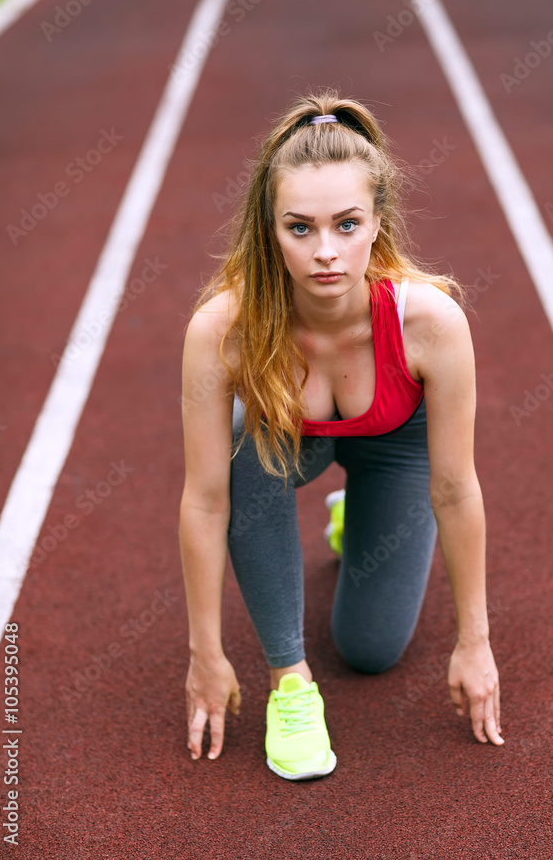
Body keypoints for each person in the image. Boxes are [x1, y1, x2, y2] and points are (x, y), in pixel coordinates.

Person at [179, 91, 503, 781]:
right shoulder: (223, 331)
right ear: (269, 229)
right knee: (245, 456)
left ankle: (357, 520)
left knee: (369, 650)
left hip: (393, 444)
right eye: (300, 229)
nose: (326, 252)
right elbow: (205, 502)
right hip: (285, 439)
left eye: (346, 225)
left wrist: (473, 641)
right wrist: (205, 653)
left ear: (377, 222)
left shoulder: (431, 324)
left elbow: (453, 488)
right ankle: (289, 682)